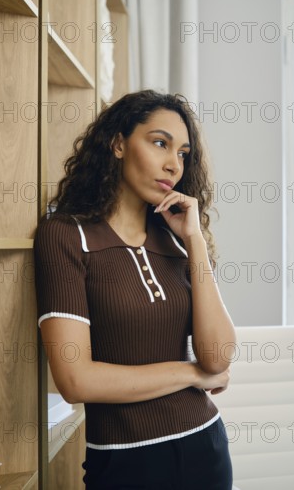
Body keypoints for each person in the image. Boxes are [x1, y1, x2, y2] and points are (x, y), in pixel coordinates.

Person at [34, 89, 236, 489]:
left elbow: (219, 357)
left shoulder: (178, 243)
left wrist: (195, 240)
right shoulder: (66, 236)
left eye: (182, 153)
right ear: (118, 143)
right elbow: (75, 381)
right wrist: (190, 373)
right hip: (126, 464)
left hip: (206, 450)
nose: (173, 164)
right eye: (160, 143)